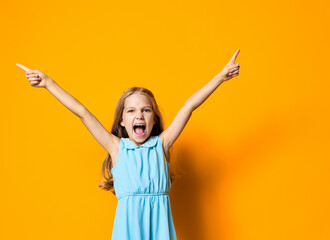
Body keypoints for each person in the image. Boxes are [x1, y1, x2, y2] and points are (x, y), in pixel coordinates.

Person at [15, 49, 240, 240]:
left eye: (146, 110)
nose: (139, 115)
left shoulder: (162, 144)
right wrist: (48, 83)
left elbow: (188, 106)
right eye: (131, 111)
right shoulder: (116, 147)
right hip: (128, 231)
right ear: (122, 121)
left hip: (159, 228)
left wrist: (220, 77)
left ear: (154, 119)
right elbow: (82, 113)